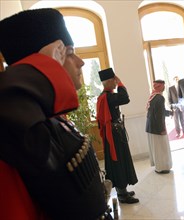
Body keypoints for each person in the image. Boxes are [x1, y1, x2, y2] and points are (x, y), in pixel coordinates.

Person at [0, 8, 112, 219]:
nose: (81, 61)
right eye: (68, 53)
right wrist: (45, 69)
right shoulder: (19, 126)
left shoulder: (52, 116)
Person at [96, 68, 139, 204]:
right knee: (118, 161)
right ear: (108, 82)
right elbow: (125, 98)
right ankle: (122, 194)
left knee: (121, 160)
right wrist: (121, 83)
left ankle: (123, 190)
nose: (116, 84)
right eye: (114, 81)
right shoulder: (108, 97)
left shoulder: (106, 96)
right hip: (113, 135)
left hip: (114, 133)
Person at [146, 80, 173, 174]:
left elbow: (159, 111)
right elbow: (159, 115)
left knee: (156, 148)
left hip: (151, 127)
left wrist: (170, 113)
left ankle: (158, 166)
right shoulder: (160, 98)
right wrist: (161, 129)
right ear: (160, 86)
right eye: (163, 85)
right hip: (157, 128)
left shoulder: (153, 96)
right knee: (161, 148)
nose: (164, 87)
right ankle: (162, 168)